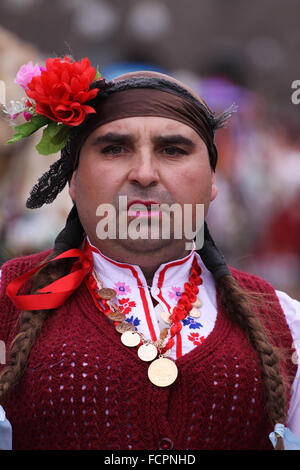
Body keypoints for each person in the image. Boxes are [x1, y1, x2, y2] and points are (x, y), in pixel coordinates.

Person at [0, 56, 299, 451]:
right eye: (114, 149)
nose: (144, 173)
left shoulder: (285, 323)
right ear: (72, 180)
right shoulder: (8, 298)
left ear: (212, 180)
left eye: (173, 150)